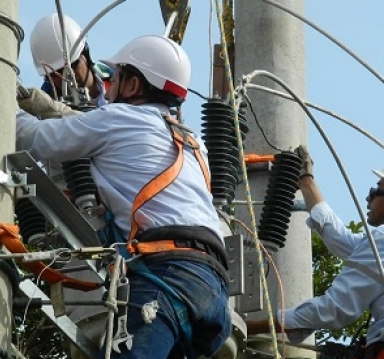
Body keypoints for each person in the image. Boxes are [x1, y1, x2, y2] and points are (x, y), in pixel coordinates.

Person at [16, 34, 231, 359]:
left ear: (132, 85)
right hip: (213, 292)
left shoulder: (117, 119)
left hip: (165, 279)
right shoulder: (191, 142)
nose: (110, 84)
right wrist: (44, 105)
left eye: (116, 77)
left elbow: (31, 138)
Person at [246, 146, 384, 359]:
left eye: (375, 190)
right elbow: (344, 241)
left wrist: (252, 327)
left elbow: (334, 309)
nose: (368, 198)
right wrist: (306, 182)